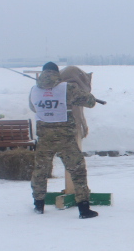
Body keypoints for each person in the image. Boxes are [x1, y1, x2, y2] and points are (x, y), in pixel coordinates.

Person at [29, 62, 99, 219]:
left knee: (40, 171)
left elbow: (33, 107)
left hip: (44, 138)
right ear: (57, 73)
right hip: (65, 138)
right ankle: (84, 209)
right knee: (77, 171)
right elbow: (90, 102)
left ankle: (38, 205)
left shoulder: (34, 90)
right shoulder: (67, 88)